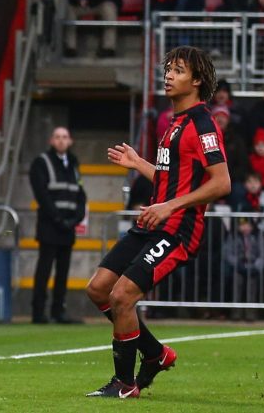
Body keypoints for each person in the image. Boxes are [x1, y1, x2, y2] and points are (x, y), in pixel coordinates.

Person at [88, 46, 230, 398]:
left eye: (178, 70)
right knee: (98, 289)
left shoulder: (202, 124)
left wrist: (170, 207)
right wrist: (140, 165)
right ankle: (155, 353)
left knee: (122, 295)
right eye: (168, 69)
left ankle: (124, 384)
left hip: (179, 229)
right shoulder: (173, 124)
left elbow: (221, 183)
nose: (168, 75)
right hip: (154, 222)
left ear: (196, 80)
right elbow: (170, 182)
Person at [29, 127, 87, 325]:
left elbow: (80, 193)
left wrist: (76, 218)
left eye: (64, 137)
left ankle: (58, 311)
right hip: (49, 225)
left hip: (68, 226)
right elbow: (42, 194)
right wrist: (57, 218)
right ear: (51, 141)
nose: (61, 141)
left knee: (63, 272)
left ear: (70, 141)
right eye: (57, 137)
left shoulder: (73, 163)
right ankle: (38, 312)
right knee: (44, 269)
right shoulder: (41, 162)